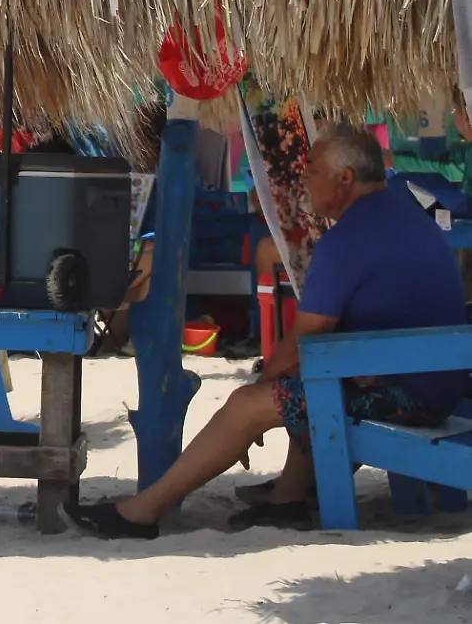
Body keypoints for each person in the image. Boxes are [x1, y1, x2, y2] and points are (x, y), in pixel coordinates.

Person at [67, 125, 469, 539]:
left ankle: (141, 512)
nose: (303, 179)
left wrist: (254, 412)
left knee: (251, 401)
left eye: (311, 169)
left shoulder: (347, 240)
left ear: (345, 179)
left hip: (410, 396)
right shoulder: (405, 217)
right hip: (438, 381)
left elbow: (302, 341)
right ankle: (287, 500)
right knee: (314, 379)